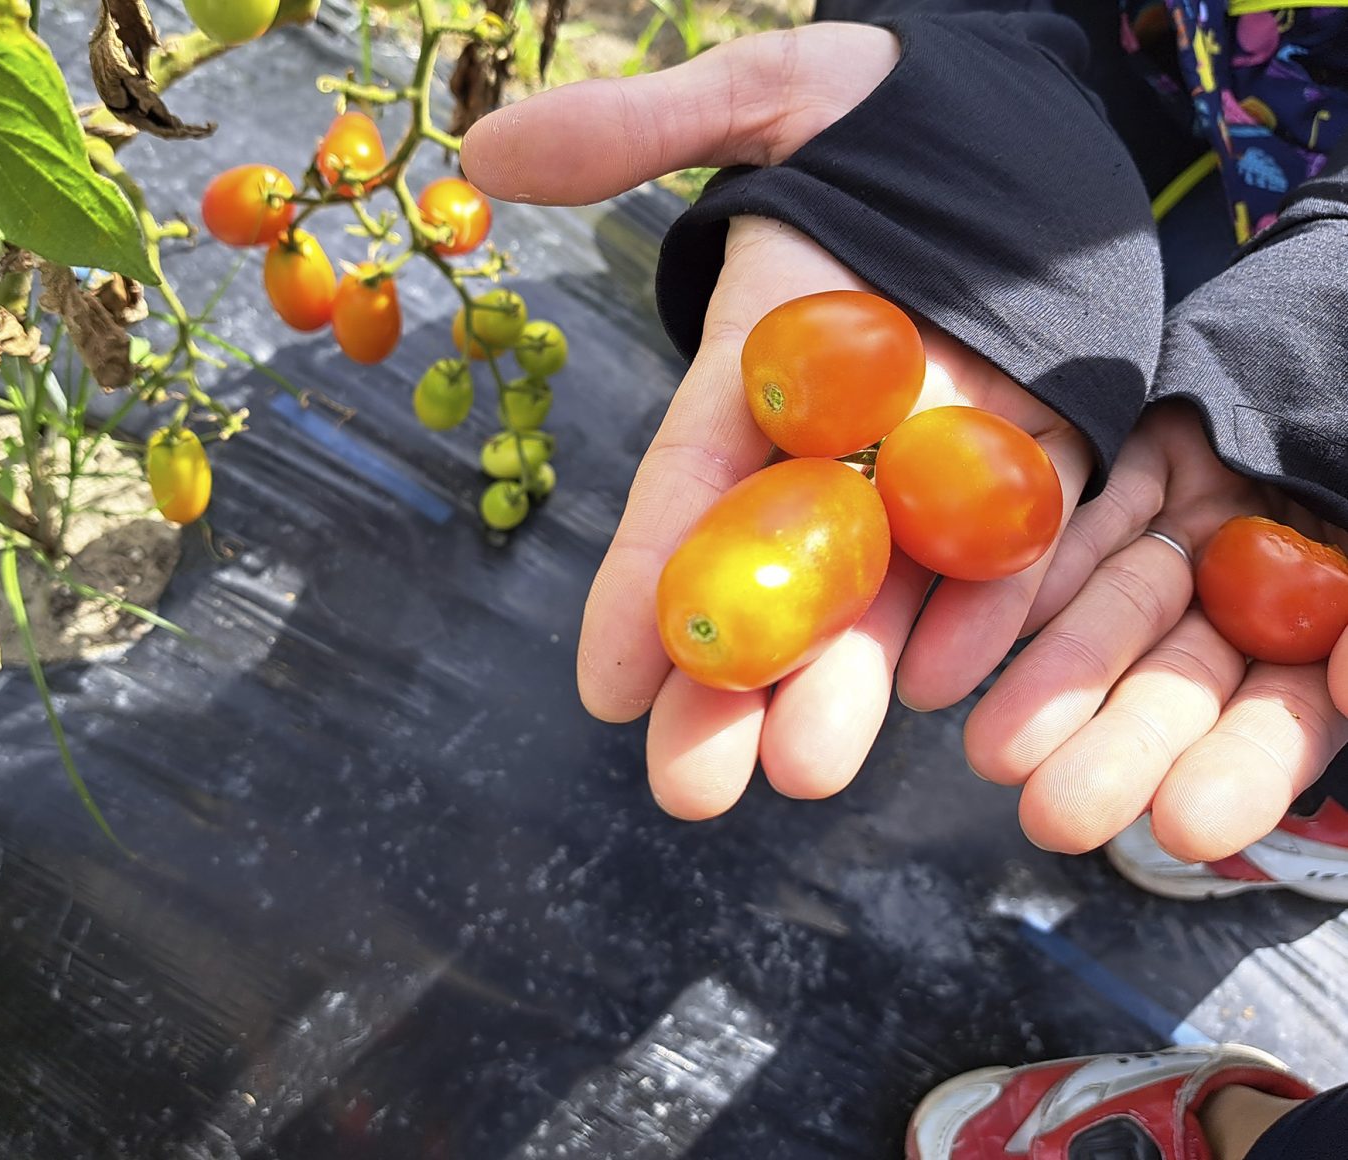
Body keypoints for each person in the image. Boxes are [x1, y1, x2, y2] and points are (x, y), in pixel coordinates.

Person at [458, 3, 1348, 1157]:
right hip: (1120, 97)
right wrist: (977, 60)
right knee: (1160, 435)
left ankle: (1320, 811)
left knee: (1257, 615)